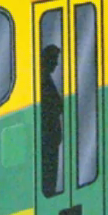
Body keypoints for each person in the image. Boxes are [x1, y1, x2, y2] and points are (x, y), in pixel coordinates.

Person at [39, 43, 64, 196]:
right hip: (47, 139)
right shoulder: (43, 82)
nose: (56, 64)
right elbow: (55, 106)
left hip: (51, 138)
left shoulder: (46, 79)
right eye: (54, 60)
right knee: (49, 175)